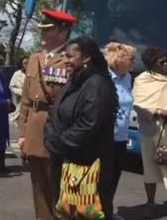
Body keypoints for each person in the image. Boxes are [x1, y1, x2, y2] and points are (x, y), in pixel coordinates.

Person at [44, 37, 119, 219]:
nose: (66, 60)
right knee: (66, 210)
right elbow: (54, 115)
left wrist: (58, 143)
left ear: (86, 57)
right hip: (66, 161)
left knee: (86, 213)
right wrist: (50, 137)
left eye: (70, 56)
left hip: (86, 165)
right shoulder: (73, 81)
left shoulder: (96, 84)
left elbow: (88, 125)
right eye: (65, 56)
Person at [18, 9, 76, 220]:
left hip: (56, 131)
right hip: (34, 130)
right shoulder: (35, 58)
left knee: (59, 188)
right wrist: (23, 133)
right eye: (42, 29)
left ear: (63, 33)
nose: (43, 34)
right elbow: (25, 100)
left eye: (48, 30)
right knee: (38, 187)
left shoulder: (69, 60)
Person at [133, 46, 167, 220]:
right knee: (150, 168)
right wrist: (163, 112)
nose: (166, 64)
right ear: (151, 63)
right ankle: (150, 202)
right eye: (161, 61)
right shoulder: (142, 80)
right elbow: (140, 105)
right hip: (151, 131)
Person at [104, 42, 136, 220]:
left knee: (115, 176)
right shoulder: (104, 78)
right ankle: (97, 211)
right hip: (105, 137)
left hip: (121, 137)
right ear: (119, 59)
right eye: (131, 58)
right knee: (102, 178)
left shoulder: (128, 77)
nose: (134, 62)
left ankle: (107, 211)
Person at [9, 57, 27, 127]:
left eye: (28, 63)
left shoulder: (32, 73)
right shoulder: (17, 74)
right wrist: (21, 92)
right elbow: (11, 86)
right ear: (21, 65)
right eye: (25, 63)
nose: (27, 65)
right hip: (19, 99)